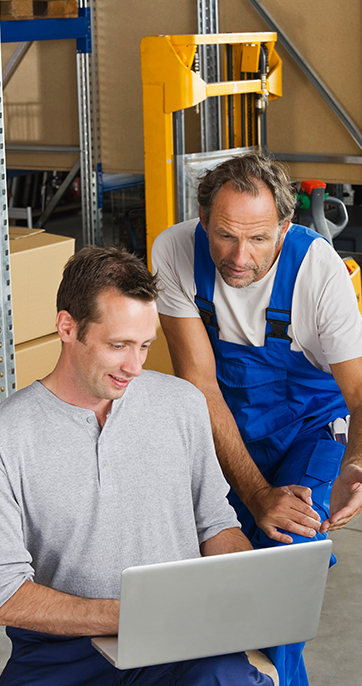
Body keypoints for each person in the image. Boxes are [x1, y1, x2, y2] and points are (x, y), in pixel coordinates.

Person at [0, 246, 273, 686]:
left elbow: (215, 523)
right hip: (63, 654)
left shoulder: (182, 405)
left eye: (145, 345)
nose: (135, 366)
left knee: (226, 677)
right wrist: (130, 615)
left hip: (177, 644)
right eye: (118, 345)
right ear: (67, 327)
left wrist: (244, 583)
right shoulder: (9, 435)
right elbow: (6, 593)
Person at [152, 153, 362, 686]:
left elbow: (358, 392)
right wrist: (252, 492)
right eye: (224, 236)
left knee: (285, 559)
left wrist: (357, 461)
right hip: (223, 426)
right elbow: (199, 381)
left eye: (259, 239)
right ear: (203, 219)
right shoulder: (174, 250)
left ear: (284, 228)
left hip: (310, 429)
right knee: (214, 560)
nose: (240, 257)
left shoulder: (319, 271)